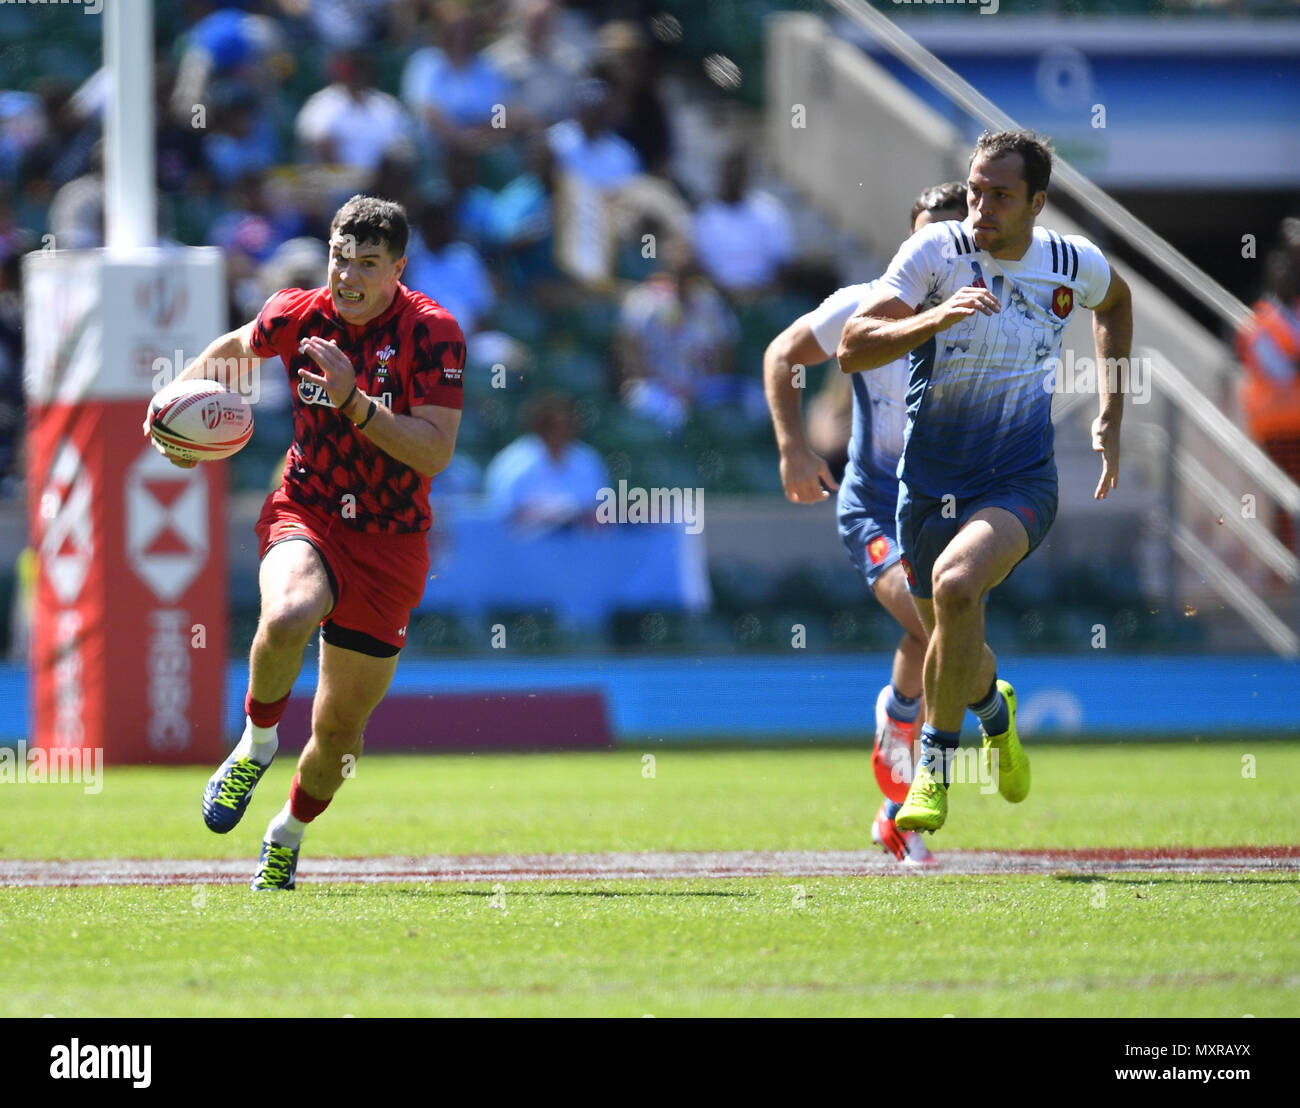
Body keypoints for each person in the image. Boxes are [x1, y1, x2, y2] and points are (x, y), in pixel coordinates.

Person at [144, 195, 466, 889]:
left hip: (390, 542)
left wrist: (354, 402)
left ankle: (286, 832)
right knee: (289, 613)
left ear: (399, 268)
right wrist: (175, 408)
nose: (348, 278)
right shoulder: (299, 311)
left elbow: (434, 453)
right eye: (339, 259)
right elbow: (233, 351)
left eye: (368, 265)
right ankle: (255, 746)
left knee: (340, 732)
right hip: (308, 507)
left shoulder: (434, 333)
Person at [838, 130, 1131, 835]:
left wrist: (1112, 409)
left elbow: (1115, 303)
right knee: (957, 647)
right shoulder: (934, 253)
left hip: (1019, 479)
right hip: (929, 487)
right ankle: (997, 718)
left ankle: (933, 770)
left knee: (956, 585)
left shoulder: (1069, 261)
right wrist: (937, 315)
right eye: (974, 189)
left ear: (1037, 202)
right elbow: (851, 348)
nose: (980, 206)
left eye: (1000, 195)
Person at [763, 181, 967, 866]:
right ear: (909, 243)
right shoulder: (862, 306)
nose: (941, 247)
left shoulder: (988, 317)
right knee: (936, 627)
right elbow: (783, 355)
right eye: (927, 235)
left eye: (954, 234)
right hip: (876, 502)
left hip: (946, 507)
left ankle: (895, 814)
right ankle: (901, 720)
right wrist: (794, 446)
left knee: (933, 634)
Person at [484, 391, 610, 532]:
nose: (561, 431)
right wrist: (548, 517)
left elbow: (599, 511)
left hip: (579, 546)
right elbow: (502, 514)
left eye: (567, 424)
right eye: (554, 425)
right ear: (540, 425)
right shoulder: (511, 463)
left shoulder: (588, 460)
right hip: (527, 546)